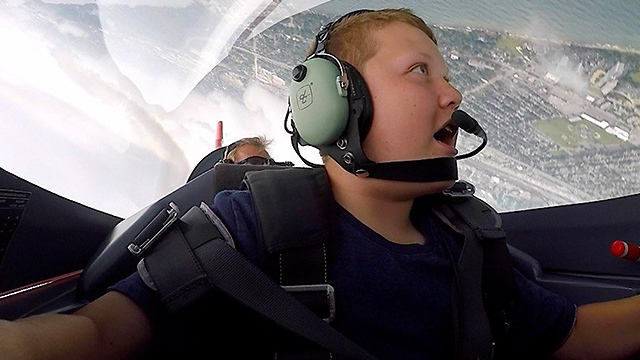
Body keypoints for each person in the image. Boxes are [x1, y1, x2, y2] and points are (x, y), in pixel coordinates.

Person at [2, 8, 640, 360]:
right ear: (335, 105)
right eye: (420, 72)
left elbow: (570, 336)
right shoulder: (248, 227)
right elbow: (102, 333)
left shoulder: (467, 240)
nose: (453, 93)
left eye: (445, 74)